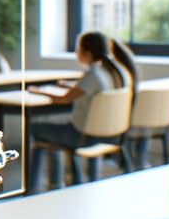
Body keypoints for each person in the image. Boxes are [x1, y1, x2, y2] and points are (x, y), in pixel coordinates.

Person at [25, 31, 132, 190]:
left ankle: (33, 188)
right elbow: (85, 91)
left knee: (33, 128)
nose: (76, 52)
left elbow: (64, 99)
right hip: (110, 136)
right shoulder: (111, 72)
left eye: (78, 48)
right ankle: (60, 182)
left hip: (82, 137)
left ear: (88, 52)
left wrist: (37, 91)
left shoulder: (92, 74)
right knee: (53, 130)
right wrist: (69, 86)